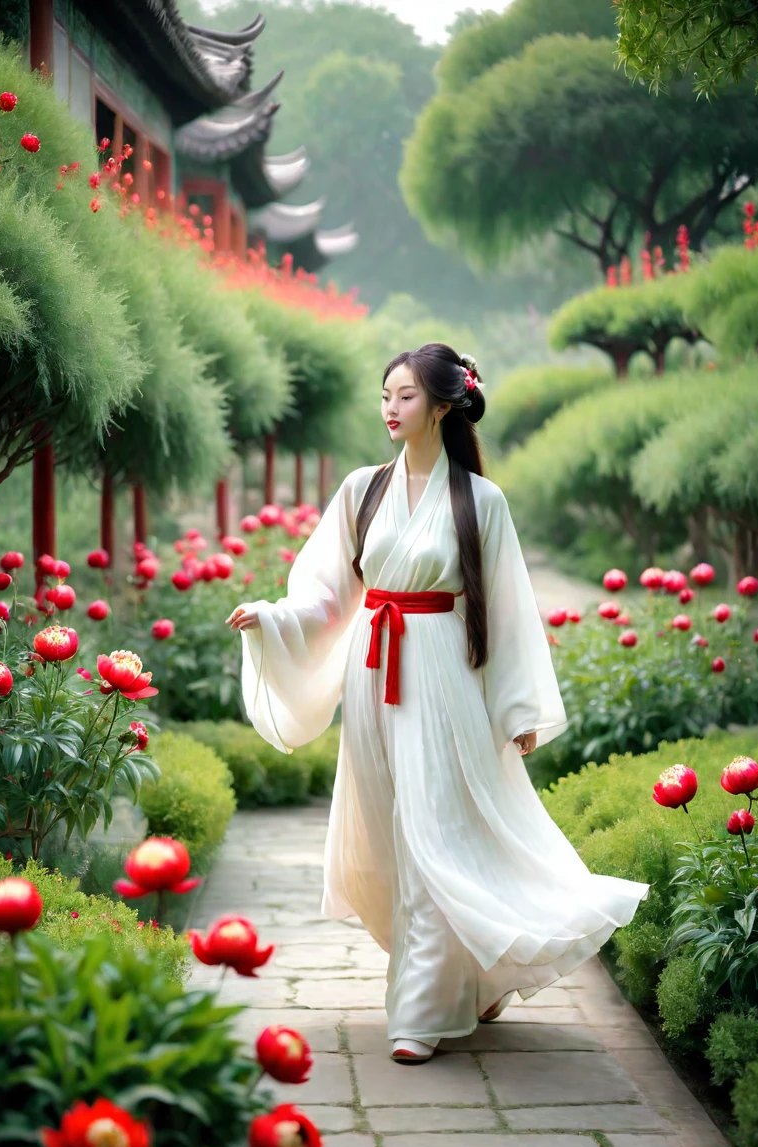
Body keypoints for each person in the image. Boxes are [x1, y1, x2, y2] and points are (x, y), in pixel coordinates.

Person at [227, 343, 648, 1064]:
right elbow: (328, 595)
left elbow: (511, 610)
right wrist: (273, 618)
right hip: (371, 671)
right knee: (393, 839)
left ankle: (418, 1014)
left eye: (407, 396)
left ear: (445, 405)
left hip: (442, 677)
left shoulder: (480, 501)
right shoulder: (361, 490)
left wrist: (518, 711)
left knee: (434, 833)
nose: (391, 408)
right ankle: (473, 974)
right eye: (386, 395)